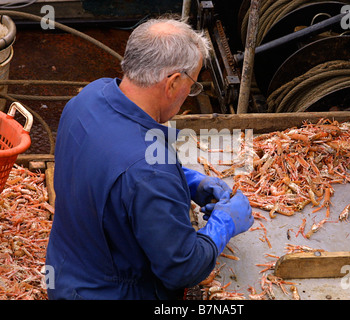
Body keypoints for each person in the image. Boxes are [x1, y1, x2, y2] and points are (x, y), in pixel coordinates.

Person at [45, 17, 253, 300]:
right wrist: (224, 225)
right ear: (173, 83)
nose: (188, 95)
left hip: (67, 270)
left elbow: (106, 167)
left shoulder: (89, 97)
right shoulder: (149, 173)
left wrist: (189, 181)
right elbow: (182, 268)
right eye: (192, 84)